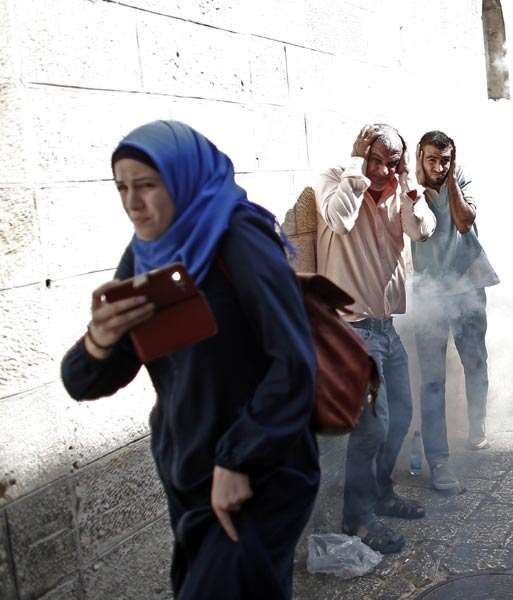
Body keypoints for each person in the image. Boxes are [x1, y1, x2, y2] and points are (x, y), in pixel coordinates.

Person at [61, 121, 320, 599]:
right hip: (188, 475)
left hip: (260, 472)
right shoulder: (145, 255)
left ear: (182, 178)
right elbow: (88, 379)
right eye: (122, 188)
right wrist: (98, 341)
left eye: (147, 186)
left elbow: (294, 363)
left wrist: (238, 458)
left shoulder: (239, 236)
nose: (133, 204)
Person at [314, 123, 437, 554]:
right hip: (353, 332)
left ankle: (382, 494)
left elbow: (422, 231)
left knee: (400, 415)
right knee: (372, 427)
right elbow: (340, 220)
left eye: (391, 161)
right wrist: (357, 173)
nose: (383, 169)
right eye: (376, 159)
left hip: (386, 329)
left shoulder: (399, 191)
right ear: (360, 153)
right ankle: (358, 518)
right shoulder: (336, 181)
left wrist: (409, 192)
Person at [410, 130, 499, 493]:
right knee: (432, 378)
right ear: (420, 155)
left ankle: (476, 427)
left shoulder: (458, 179)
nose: (439, 166)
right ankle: (439, 459)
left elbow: (464, 221)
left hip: (468, 285)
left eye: (445, 159)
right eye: (432, 159)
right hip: (430, 292)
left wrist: (452, 177)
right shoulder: (409, 186)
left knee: (475, 360)